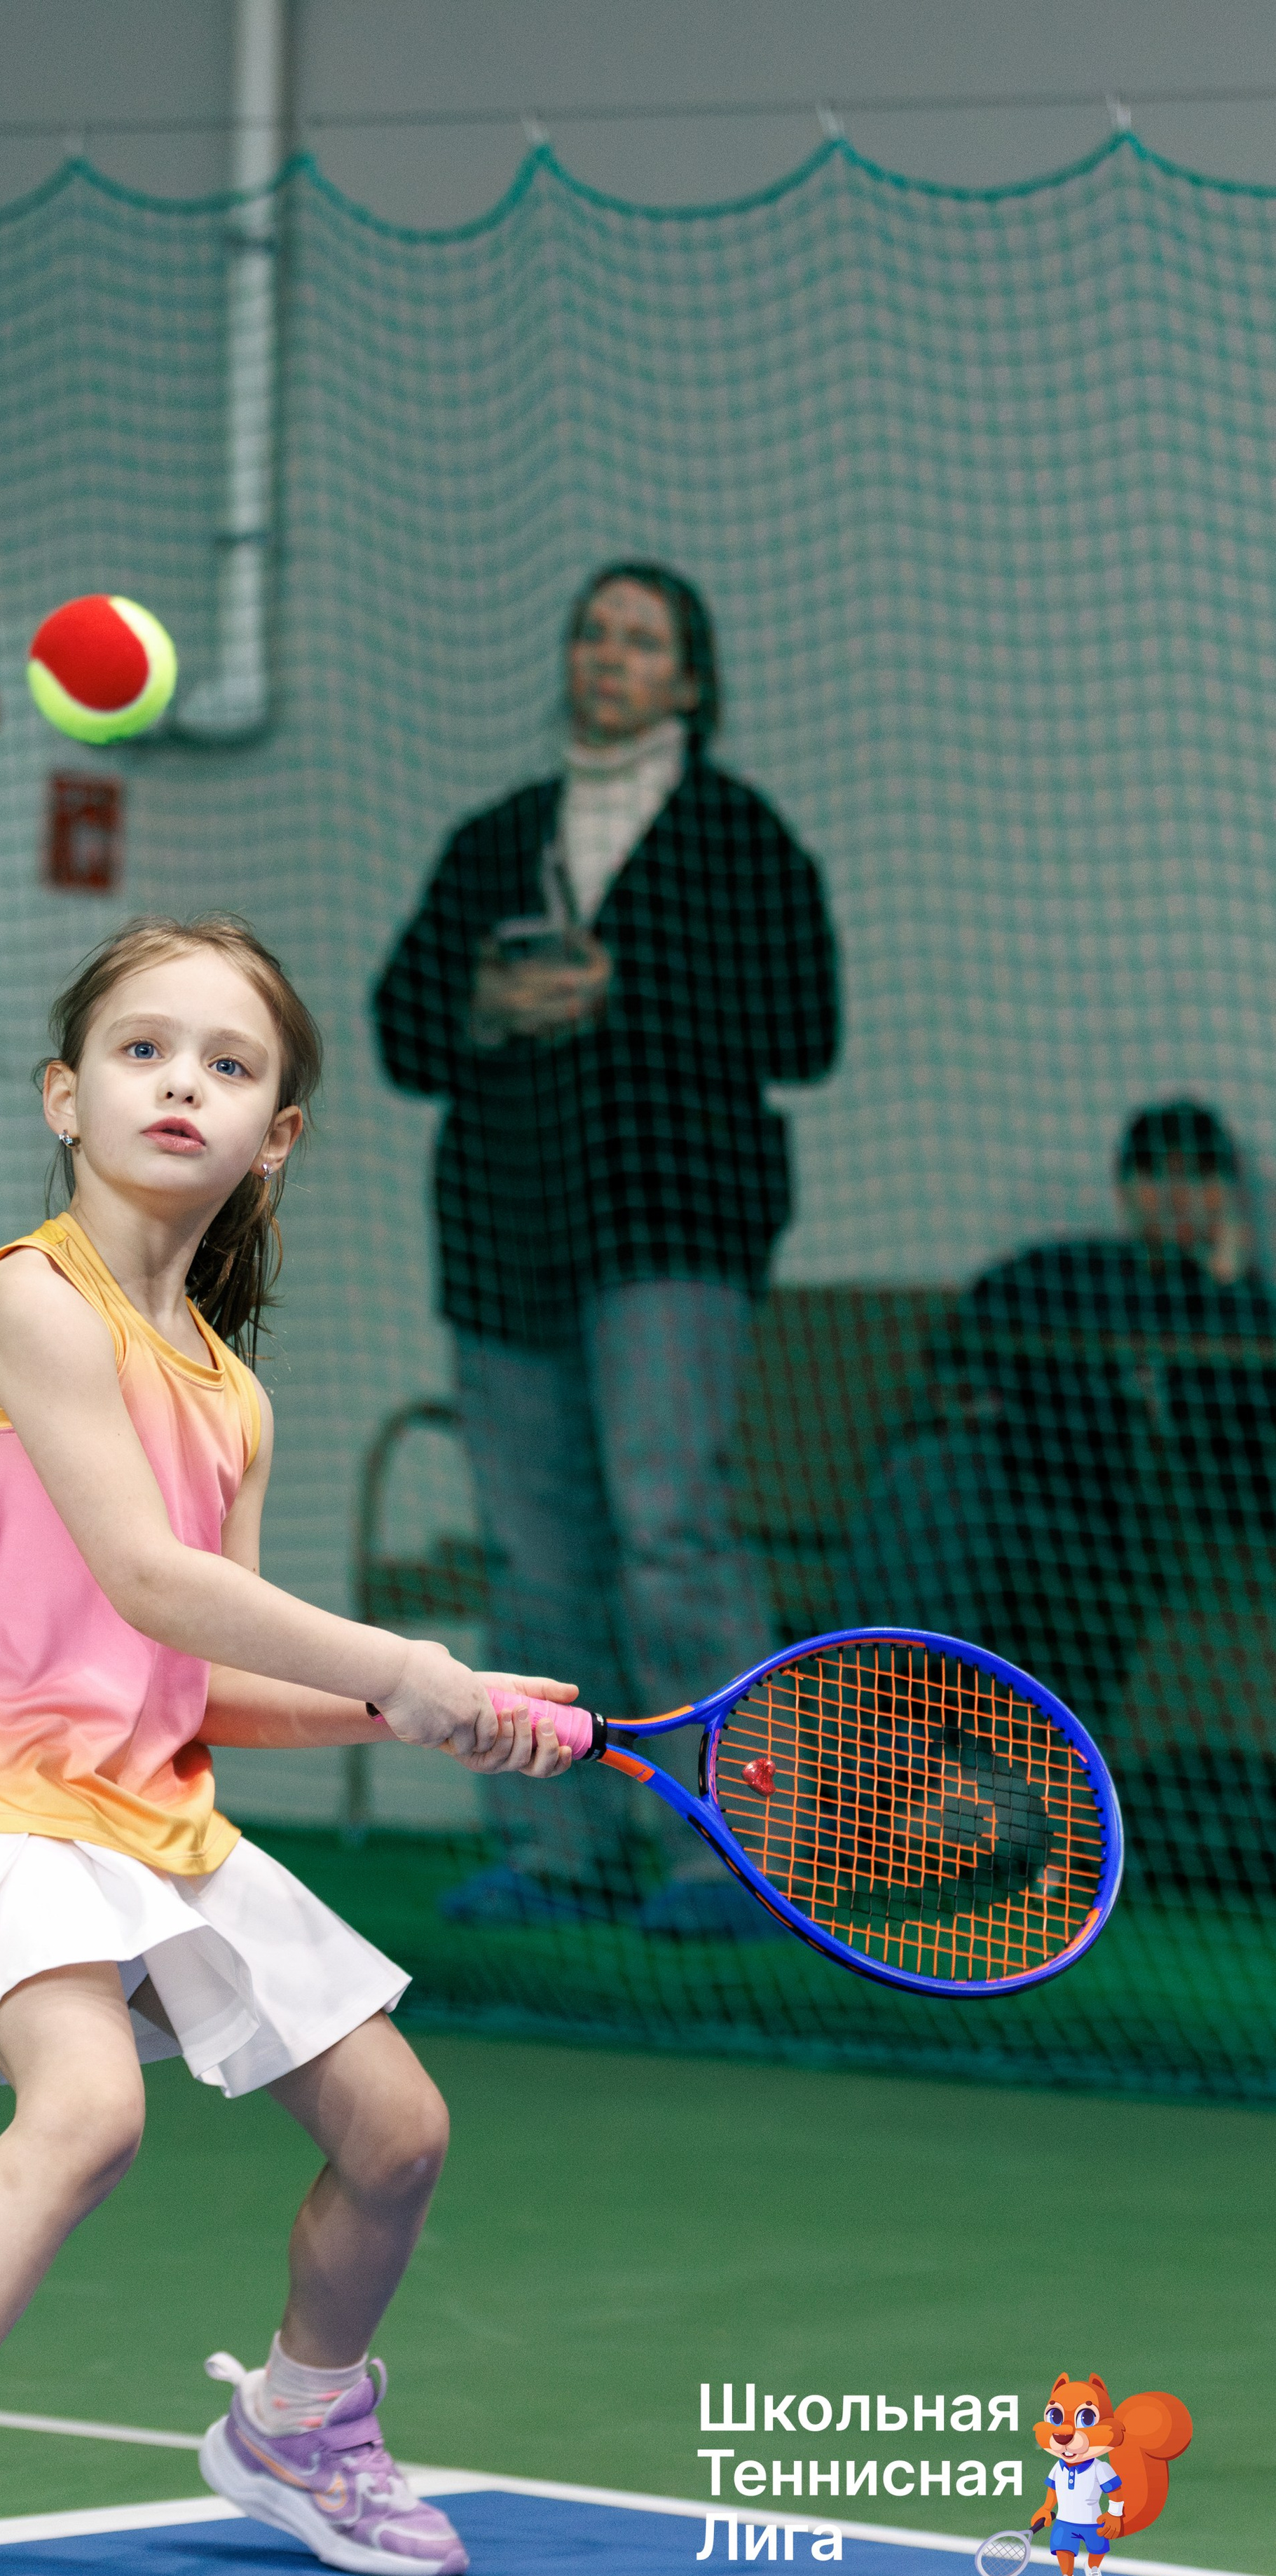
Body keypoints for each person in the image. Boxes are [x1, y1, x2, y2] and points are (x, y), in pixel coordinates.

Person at [0, 914, 575, 2576]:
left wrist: (426, 1715)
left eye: (226, 1062)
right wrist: (400, 1659)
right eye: (139, 1050)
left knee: (397, 2133)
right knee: (87, 2109)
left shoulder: (231, 1395)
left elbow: (200, 1682)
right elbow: (148, 1580)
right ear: (64, 1095)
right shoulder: (26, 1300)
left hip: (146, 1807)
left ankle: (297, 2425)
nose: (177, 1082)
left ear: (277, 1133)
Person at [373, 563, 837, 1931]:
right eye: (591, 631)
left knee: (668, 1533)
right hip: (506, 1234)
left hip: (673, 1231)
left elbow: (805, 1024)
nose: (607, 656)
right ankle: (557, 1846)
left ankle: (735, 1851)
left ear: (688, 679)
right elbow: (399, 1026)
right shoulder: (494, 837)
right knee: (534, 1562)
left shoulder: (736, 836)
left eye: (639, 639)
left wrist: (623, 993)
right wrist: (486, 1001)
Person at [837, 1101, 1276, 1725]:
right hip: (1030, 1497)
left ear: (1229, 1195)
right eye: (1154, 1176)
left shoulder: (1248, 1313)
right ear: (1125, 1190)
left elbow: (1245, 1462)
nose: (1175, 1197)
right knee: (929, 1475)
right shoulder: (1066, 1273)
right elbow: (964, 1347)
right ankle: (893, 1720)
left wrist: (1230, 1287)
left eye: (1199, 1177)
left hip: (1137, 1530)